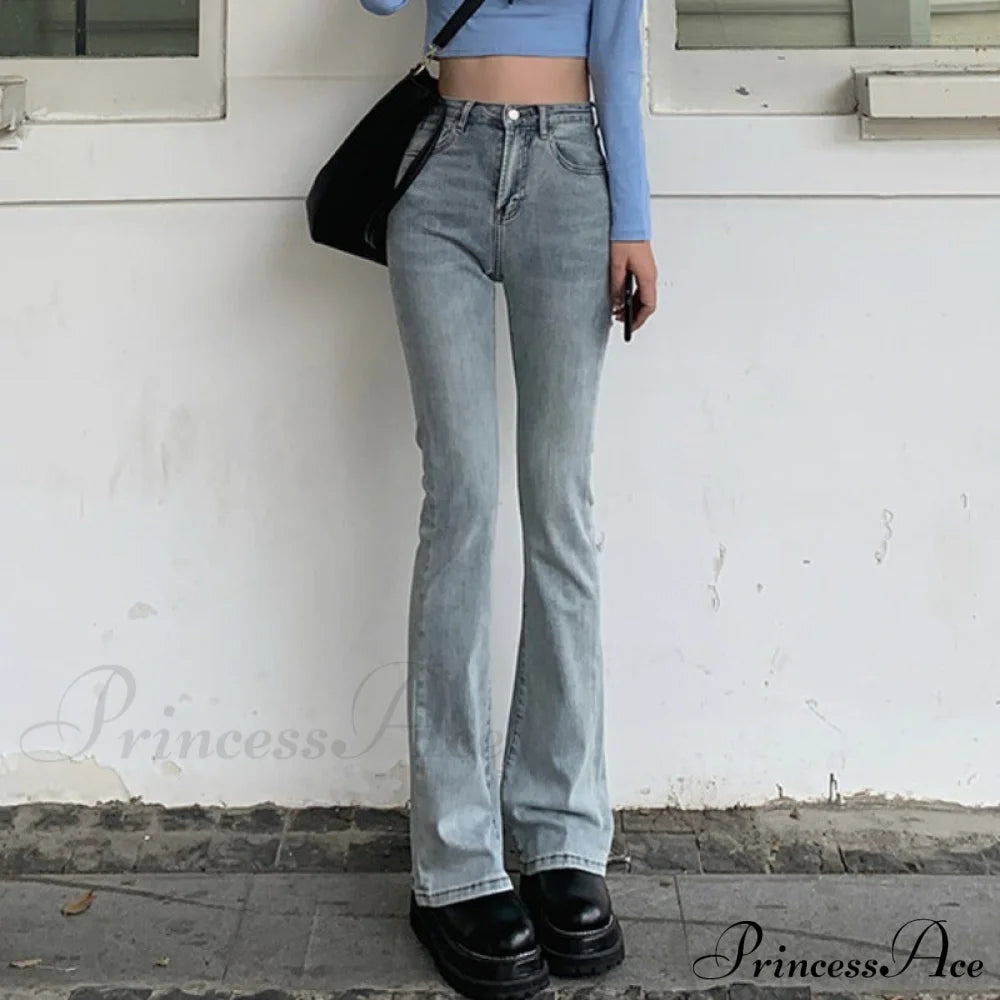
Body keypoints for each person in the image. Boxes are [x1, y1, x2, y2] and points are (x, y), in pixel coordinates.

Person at [358, 1, 657, 997]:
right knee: (461, 504)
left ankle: (562, 835)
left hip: (570, 173)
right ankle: (454, 861)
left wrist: (634, 222)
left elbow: (617, 54)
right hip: (440, 165)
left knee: (558, 507)